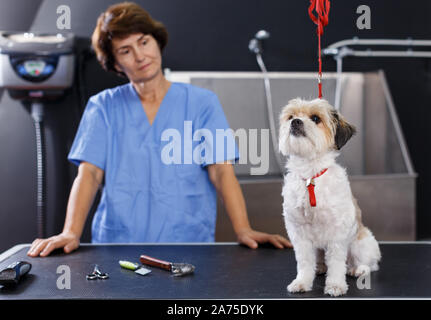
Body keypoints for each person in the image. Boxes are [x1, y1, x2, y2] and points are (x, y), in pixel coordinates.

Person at [27, 2, 292, 257]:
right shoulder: (103, 106)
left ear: (157, 41)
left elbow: (221, 172)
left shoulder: (201, 103)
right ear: (116, 63)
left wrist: (243, 229)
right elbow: (89, 175)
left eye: (144, 41)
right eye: (125, 50)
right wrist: (71, 232)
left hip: (188, 244)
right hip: (118, 245)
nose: (140, 55)